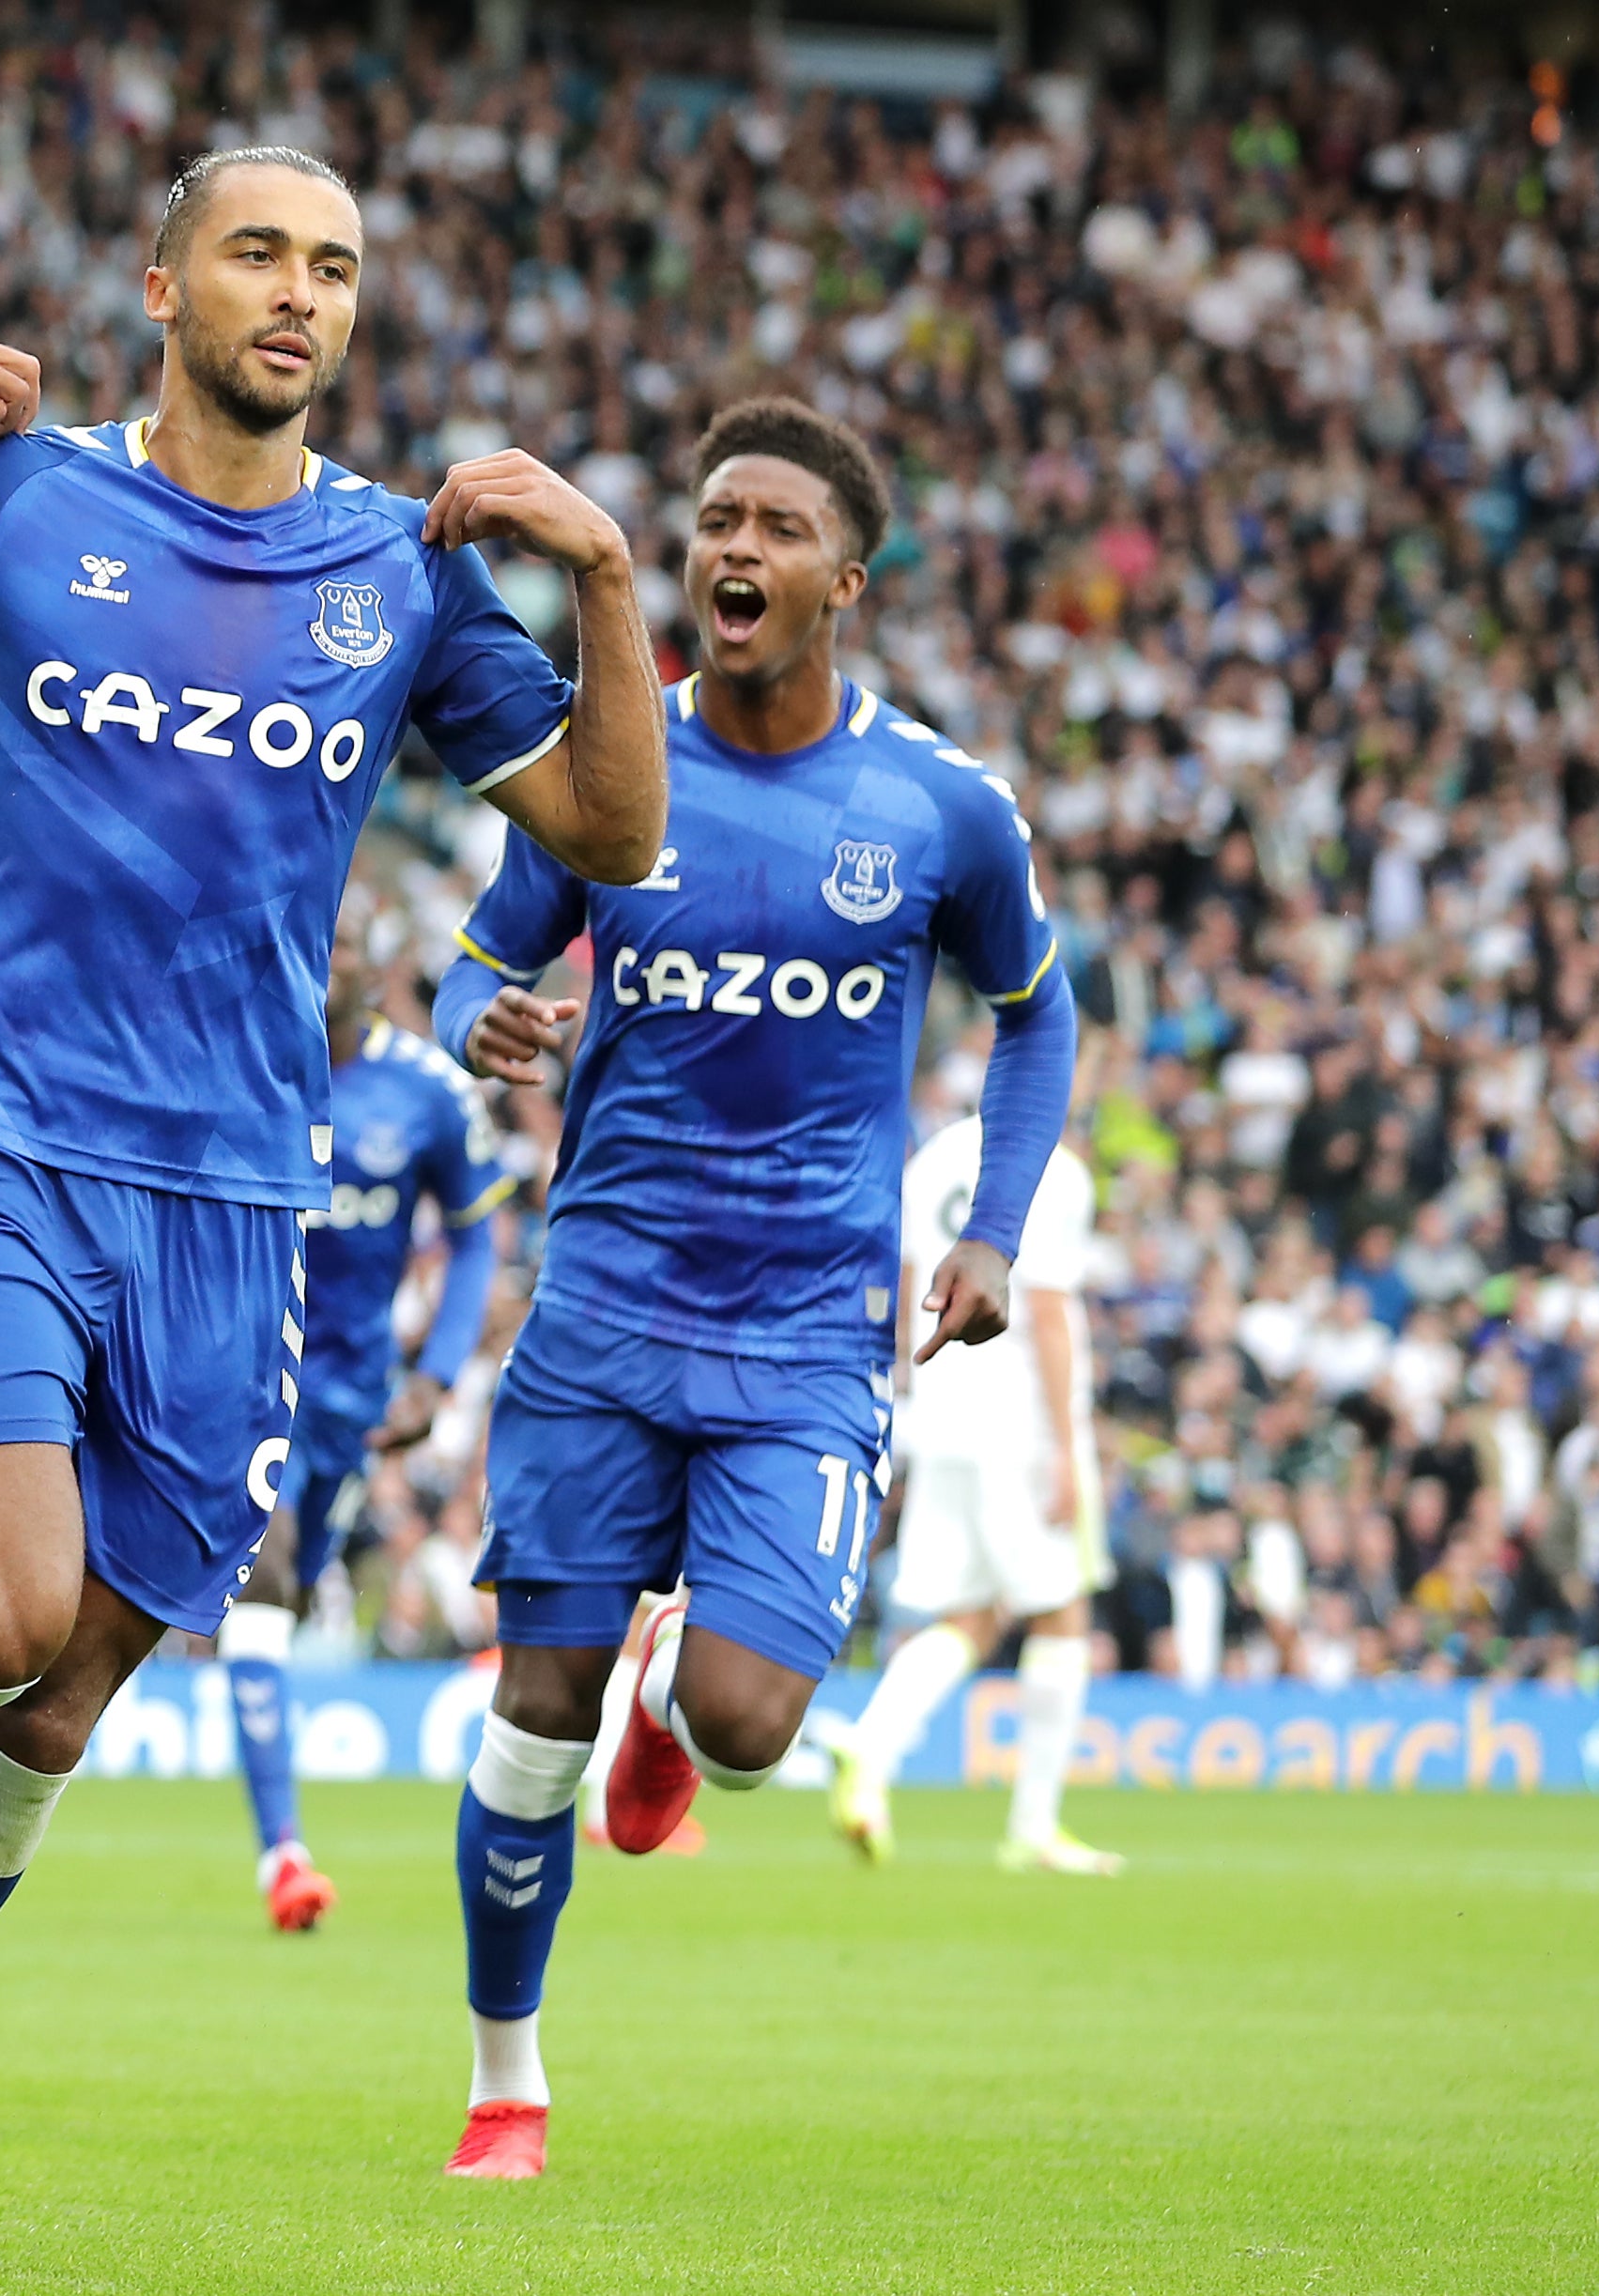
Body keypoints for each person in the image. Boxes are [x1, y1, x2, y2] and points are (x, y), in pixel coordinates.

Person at [0, 144, 667, 2249]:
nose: (302, 294)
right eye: (261, 254)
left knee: (56, 1712)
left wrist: (611, 579)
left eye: (338, 269)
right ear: (162, 281)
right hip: (11, 1132)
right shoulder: (21, 501)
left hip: (234, 1200)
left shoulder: (398, 572)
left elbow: (615, 836)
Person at [429, 397, 1075, 2180]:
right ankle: (505, 2079)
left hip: (803, 1336)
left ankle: (671, 1686)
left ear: (840, 582)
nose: (733, 547)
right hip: (601, 1313)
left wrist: (991, 1231)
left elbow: (1038, 1017)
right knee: (526, 1720)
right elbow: (473, 958)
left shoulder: (935, 807)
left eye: (776, 527)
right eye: (714, 517)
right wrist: (468, 1019)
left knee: (741, 1725)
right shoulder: (610, 771)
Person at [226, 904, 515, 1933]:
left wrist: (437, 1373)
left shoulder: (427, 1091)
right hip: (233, 1376)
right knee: (264, 1572)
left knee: (290, 1593)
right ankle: (284, 1856)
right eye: (316, 935)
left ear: (376, 964)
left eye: (345, 942)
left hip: (350, 1397)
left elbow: (478, 1233)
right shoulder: (234, 1051)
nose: (326, 956)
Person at [831, 1107, 1123, 1875]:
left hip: (946, 1409)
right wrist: (1066, 1449)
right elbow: (1051, 1316)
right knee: (1062, 1613)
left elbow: (901, 1286)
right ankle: (1034, 1824)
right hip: (1021, 1421)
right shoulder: (1051, 1169)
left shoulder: (936, 1158)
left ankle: (871, 1747)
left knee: (976, 1612)